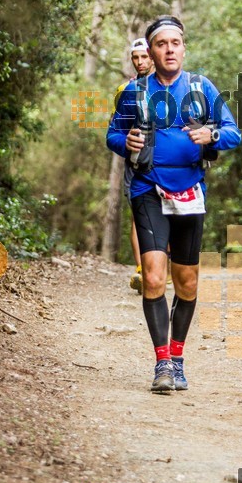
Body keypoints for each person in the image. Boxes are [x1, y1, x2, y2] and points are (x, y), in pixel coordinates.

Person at [107, 15, 242, 392]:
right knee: (153, 276)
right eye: (162, 44)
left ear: (183, 48)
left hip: (189, 191)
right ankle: (162, 362)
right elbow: (113, 134)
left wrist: (211, 133)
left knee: (187, 282)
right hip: (147, 187)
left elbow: (233, 132)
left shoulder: (201, 88)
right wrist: (126, 143)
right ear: (150, 51)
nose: (170, 49)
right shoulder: (135, 91)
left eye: (176, 43)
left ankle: (179, 358)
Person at [113, 38, 155, 293]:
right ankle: (141, 270)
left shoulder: (168, 86)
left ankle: (161, 264)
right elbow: (116, 128)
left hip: (165, 162)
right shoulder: (125, 89)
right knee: (138, 214)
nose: (140, 62)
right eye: (135, 58)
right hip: (136, 161)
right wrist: (127, 144)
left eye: (144, 57)